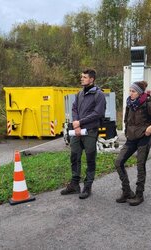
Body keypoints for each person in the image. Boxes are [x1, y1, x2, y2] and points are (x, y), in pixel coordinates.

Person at [114, 81, 151, 205]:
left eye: (133, 91)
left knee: (140, 166)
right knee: (118, 162)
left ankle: (139, 194)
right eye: (130, 91)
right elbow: (127, 120)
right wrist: (127, 132)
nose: (130, 93)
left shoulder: (147, 104)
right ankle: (127, 191)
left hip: (143, 138)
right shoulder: (129, 103)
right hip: (131, 138)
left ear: (140, 93)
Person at [60, 69, 106, 199]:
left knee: (90, 159)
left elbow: (98, 113)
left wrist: (80, 122)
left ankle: (87, 186)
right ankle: (75, 184)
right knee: (74, 157)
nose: (82, 79)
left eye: (85, 77)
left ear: (92, 79)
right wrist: (76, 122)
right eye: (81, 77)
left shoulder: (99, 95)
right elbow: (74, 108)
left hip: (90, 131)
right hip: (77, 131)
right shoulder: (79, 94)